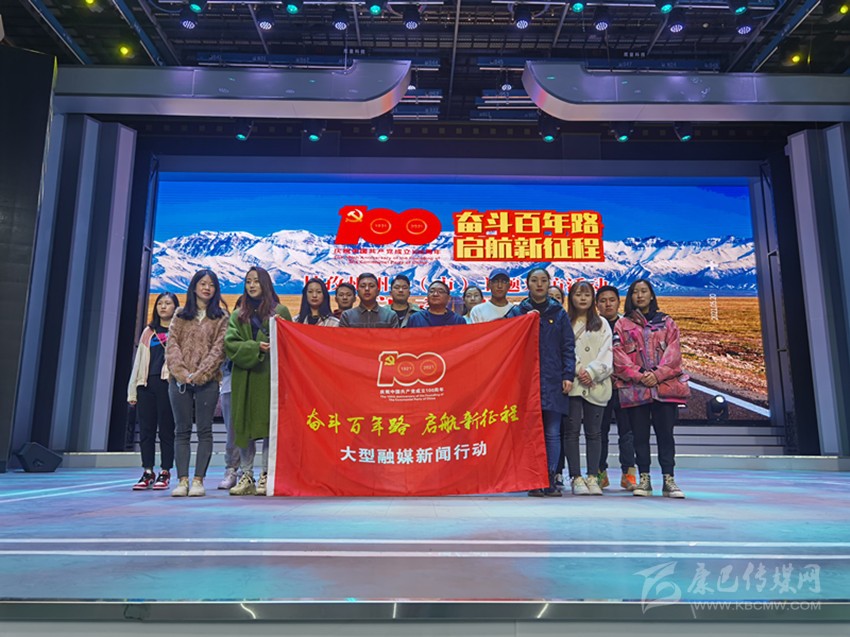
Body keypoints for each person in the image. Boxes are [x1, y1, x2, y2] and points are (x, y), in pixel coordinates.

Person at [613, 279, 688, 499]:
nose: (639, 295)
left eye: (644, 291)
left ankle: (669, 479)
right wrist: (640, 375)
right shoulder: (622, 324)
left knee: (666, 435)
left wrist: (657, 375)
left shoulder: (667, 322)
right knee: (639, 436)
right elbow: (618, 356)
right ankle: (644, 478)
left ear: (652, 295)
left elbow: (674, 354)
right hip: (636, 390)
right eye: (635, 292)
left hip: (664, 388)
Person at [506, 267, 575, 497]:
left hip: (553, 380)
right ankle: (531, 478)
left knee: (552, 432)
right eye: (534, 280)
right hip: (525, 381)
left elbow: (567, 346)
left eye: (543, 280)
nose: (539, 284)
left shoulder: (559, 313)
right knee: (528, 432)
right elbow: (504, 341)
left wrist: (568, 375)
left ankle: (549, 478)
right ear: (527, 284)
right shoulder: (517, 312)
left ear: (549, 283)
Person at [226, 267, 293, 496]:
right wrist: (256, 347)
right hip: (244, 376)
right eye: (248, 282)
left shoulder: (280, 311)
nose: (252, 285)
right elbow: (230, 344)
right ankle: (246, 475)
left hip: (270, 376)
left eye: (256, 281)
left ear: (265, 284)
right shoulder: (238, 314)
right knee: (243, 425)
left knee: (269, 426)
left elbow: (291, 344)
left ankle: (267, 473)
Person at [166, 270, 229, 497]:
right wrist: (182, 373)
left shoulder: (221, 317)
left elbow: (219, 350)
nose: (207, 288)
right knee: (181, 431)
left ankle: (198, 480)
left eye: (211, 285)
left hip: (208, 382)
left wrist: (200, 374)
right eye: (202, 284)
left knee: (204, 430)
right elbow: (172, 345)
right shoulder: (180, 314)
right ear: (194, 287)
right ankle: (182, 480)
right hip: (179, 381)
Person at [564, 281, 612, 496]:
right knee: (571, 432)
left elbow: (607, 352)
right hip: (573, 384)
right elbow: (563, 349)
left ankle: (593, 476)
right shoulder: (565, 322)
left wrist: (591, 372)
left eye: (586, 295)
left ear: (592, 299)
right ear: (571, 298)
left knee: (594, 433)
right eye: (578, 294)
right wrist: (578, 369)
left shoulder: (602, 323)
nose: (582, 298)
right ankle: (575, 477)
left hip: (596, 384)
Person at [127, 292, 179, 491]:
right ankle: (147, 471)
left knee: (166, 430)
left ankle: (165, 471)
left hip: (167, 384)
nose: (163, 307)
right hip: (146, 384)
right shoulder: (148, 332)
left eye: (168, 303)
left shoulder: (179, 330)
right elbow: (138, 361)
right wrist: (133, 390)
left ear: (175, 307)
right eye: (160, 303)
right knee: (146, 431)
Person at [596, 285, 637, 491]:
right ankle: (599, 473)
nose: (608, 304)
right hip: (600, 385)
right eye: (603, 301)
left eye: (611, 300)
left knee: (627, 431)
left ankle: (628, 474)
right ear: (597, 305)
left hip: (624, 387)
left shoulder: (627, 326)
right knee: (599, 431)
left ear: (618, 302)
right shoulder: (593, 327)